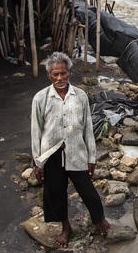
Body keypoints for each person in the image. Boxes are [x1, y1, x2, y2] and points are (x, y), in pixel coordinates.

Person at [31, 52, 110, 248]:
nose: (59, 78)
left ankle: (99, 218)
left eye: (63, 74)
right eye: (55, 74)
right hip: (51, 154)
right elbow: (36, 131)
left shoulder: (80, 96)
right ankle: (66, 227)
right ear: (49, 75)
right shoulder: (41, 98)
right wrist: (38, 162)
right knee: (55, 192)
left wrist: (91, 157)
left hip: (76, 152)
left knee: (87, 189)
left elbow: (88, 129)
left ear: (70, 73)